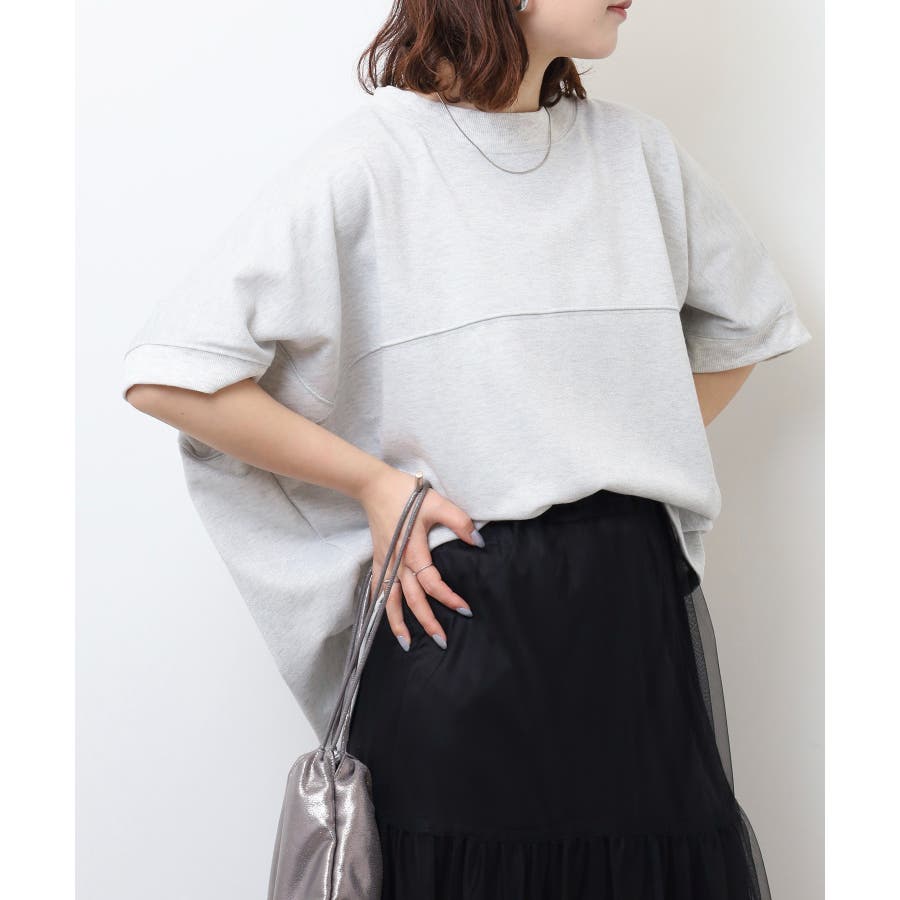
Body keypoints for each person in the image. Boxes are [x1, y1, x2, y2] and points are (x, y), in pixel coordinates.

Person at [122, 0, 812, 896]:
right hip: (461, 617)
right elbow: (171, 375)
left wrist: (628, 433)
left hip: (629, 623)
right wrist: (375, 485)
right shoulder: (374, 161)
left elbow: (748, 323)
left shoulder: (636, 154)